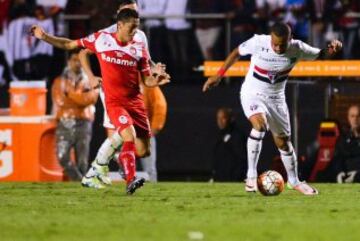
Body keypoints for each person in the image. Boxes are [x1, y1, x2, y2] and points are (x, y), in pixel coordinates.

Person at [30, 8, 170, 194]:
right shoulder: (102, 39)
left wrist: (156, 80)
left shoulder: (139, 46)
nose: (134, 32)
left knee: (144, 151)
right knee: (128, 135)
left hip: (135, 103)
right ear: (119, 25)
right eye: (131, 28)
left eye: (136, 28)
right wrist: (45, 36)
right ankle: (130, 180)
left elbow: (146, 80)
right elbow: (71, 46)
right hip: (115, 102)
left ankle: (116, 160)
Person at [203, 22, 342, 195]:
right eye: (274, 43)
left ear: (290, 39)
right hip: (252, 93)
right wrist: (219, 75)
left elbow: (321, 55)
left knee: (283, 143)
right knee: (260, 126)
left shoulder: (297, 48)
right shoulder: (259, 42)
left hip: (276, 99)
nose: (276, 48)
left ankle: (294, 181)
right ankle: (251, 176)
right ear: (270, 38)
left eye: (281, 45)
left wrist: (332, 50)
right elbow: (237, 52)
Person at [77, 0, 169, 187]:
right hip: (111, 90)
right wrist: (91, 76)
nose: (134, 16)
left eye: (136, 12)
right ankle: (99, 168)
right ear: (119, 13)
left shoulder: (139, 34)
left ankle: (112, 164)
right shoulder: (108, 33)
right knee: (123, 132)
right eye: (129, 11)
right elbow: (82, 53)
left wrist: (155, 69)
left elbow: (146, 61)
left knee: (137, 145)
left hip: (132, 90)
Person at [52, 51, 99, 181]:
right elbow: (60, 100)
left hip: (84, 122)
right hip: (65, 122)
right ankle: (80, 181)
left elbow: (90, 99)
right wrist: (81, 97)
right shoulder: (59, 81)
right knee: (62, 156)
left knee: (82, 161)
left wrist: (70, 94)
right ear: (68, 62)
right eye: (74, 60)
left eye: (80, 60)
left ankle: (80, 190)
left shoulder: (91, 80)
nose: (77, 63)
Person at [140, 85, 167, 182]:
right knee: (123, 166)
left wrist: (155, 127)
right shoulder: (124, 81)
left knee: (149, 169)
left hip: (144, 132)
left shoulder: (147, 84)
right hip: (126, 130)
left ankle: (151, 192)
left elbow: (160, 105)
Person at [212, 108, 247, 182]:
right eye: (218, 118)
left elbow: (242, 160)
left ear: (231, 119)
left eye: (223, 118)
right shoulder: (219, 136)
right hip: (220, 180)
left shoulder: (238, 136)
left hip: (233, 180)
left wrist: (237, 178)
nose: (220, 121)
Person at [331, 105, 360, 183]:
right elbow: (337, 159)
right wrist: (339, 173)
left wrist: (357, 174)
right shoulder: (343, 139)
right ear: (348, 118)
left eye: (358, 116)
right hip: (346, 175)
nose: (355, 119)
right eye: (352, 116)